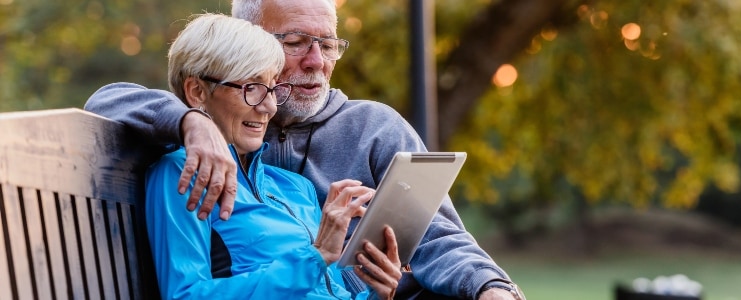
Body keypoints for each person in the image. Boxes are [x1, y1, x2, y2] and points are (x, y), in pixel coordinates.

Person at [85, 0, 525, 299]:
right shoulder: (191, 161)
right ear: (250, 42)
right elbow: (107, 100)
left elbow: (440, 237)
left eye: (328, 43)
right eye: (295, 42)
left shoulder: (329, 157)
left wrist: (482, 287)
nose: (317, 61)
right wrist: (191, 122)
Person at [145, 13, 401, 299]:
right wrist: (315, 258)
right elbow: (186, 295)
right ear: (197, 91)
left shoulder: (294, 187)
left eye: (272, 89)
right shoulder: (183, 174)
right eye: (252, 88)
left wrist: (379, 292)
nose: (268, 107)